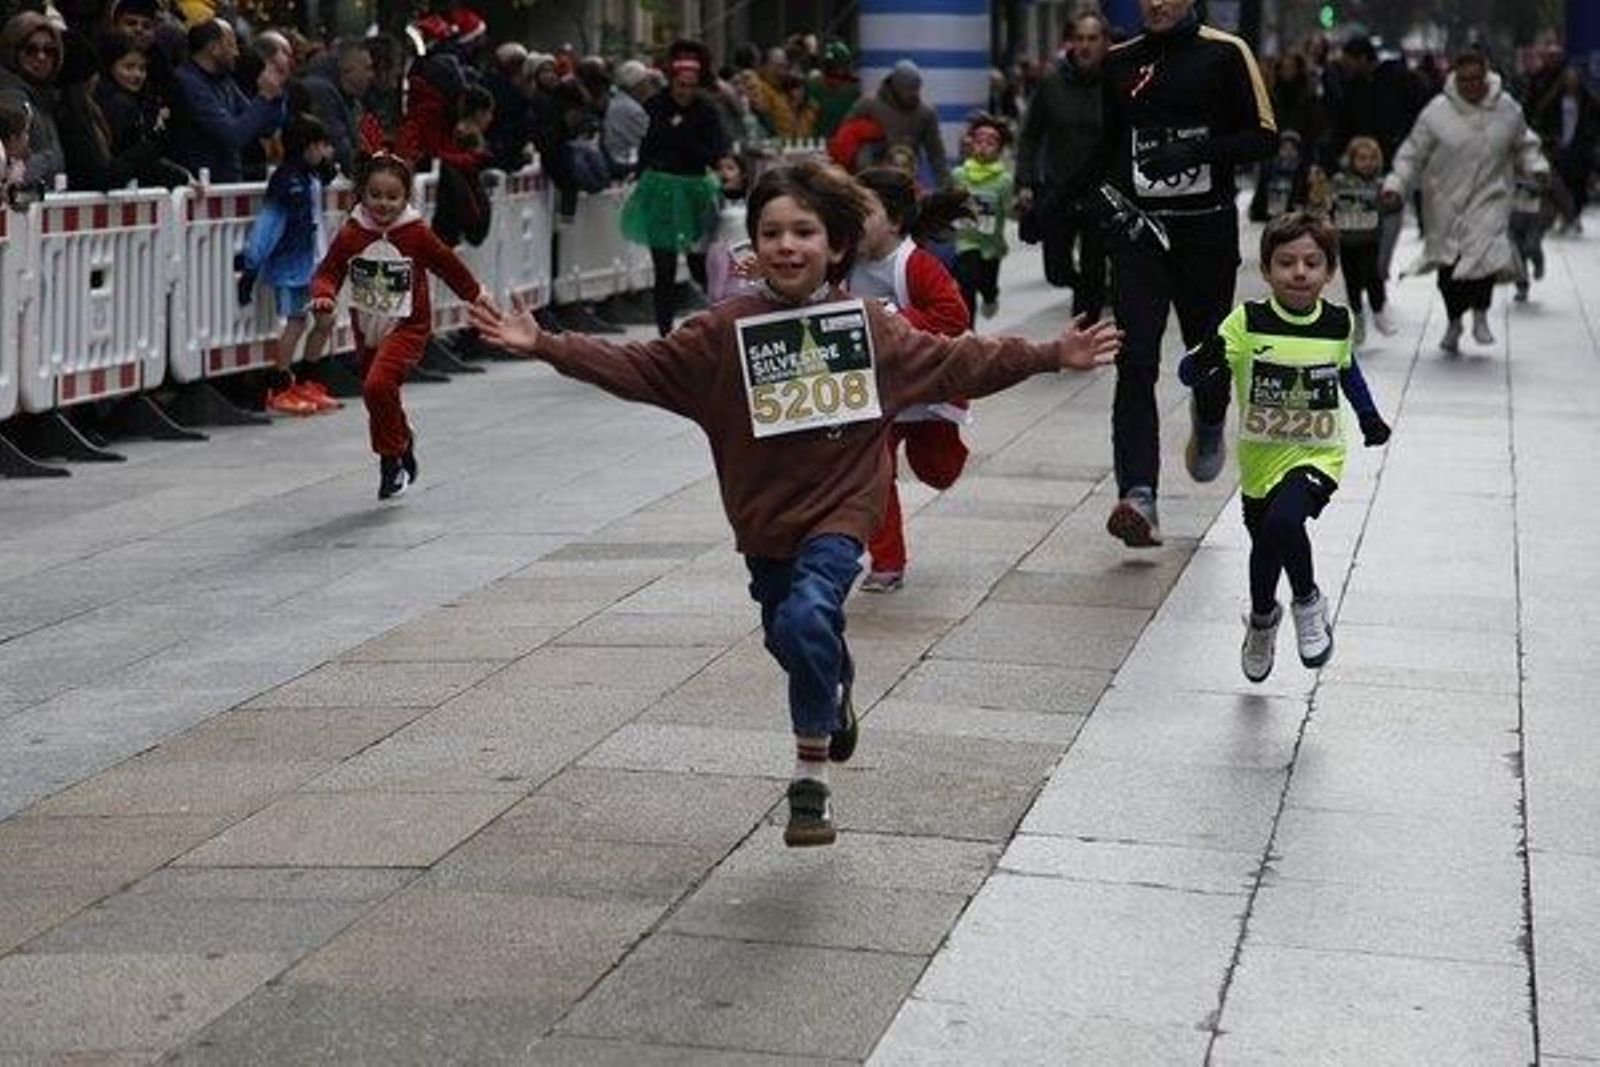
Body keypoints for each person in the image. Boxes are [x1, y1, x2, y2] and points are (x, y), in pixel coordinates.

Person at [468, 159, 1121, 847]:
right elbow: (641, 367)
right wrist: (546, 344)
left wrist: (1050, 353)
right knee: (792, 634)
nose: (787, 245)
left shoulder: (869, 325)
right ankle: (834, 681)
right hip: (764, 525)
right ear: (753, 244)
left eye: (804, 231)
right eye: (772, 232)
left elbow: (958, 360)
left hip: (842, 513)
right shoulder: (722, 331)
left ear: (835, 245)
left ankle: (811, 782)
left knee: (811, 614)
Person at [1178, 211, 1390, 681]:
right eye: (1286, 262)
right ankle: (1262, 620)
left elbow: (1348, 371)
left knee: (1284, 521)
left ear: (1329, 272)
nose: (1299, 272)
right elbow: (1189, 372)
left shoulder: (1337, 322)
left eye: (1312, 263)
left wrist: (1369, 417)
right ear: (1266, 270)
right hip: (1260, 460)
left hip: (1318, 455)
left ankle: (1308, 602)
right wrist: (1206, 356)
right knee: (1267, 543)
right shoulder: (1247, 321)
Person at [1100, 0, 1278, 547]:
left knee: (1207, 353)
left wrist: (1195, 149)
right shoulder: (1119, 60)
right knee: (1135, 359)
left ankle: (1209, 418)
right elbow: (1107, 146)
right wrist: (1057, 205)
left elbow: (1264, 138)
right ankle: (1138, 495)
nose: (1155, 3)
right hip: (1140, 235)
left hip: (1205, 233)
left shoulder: (1225, 53)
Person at [310, 152, 493, 500]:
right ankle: (402, 437)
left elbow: (446, 263)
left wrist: (474, 293)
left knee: (377, 386)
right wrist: (323, 296)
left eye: (392, 197)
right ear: (362, 194)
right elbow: (327, 272)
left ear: (406, 197)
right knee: (378, 396)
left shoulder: (416, 233)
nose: (383, 204)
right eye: (375, 195)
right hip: (368, 329)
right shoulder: (351, 233)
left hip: (408, 326)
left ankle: (391, 462)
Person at [849, 166, 973, 593]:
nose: (852, 220)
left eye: (863, 211)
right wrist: (766, 273)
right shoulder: (841, 262)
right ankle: (887, 562)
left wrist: (889, 317)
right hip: (875, 394)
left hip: (926, 392)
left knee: (938, 471)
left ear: (895, 221)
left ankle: (945, 455)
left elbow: (954, 317)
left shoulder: (916, 264)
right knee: (872, 475)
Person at [1381, 51, 1547, 355]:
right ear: (1455, 78)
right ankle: (1454, 320)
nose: (1471, 85)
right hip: (1444, 200)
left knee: (1484, 256)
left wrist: (1536, 167)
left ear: (1486, 77)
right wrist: (1396, 184)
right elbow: (1412, 153)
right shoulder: (1437, 112)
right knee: (1450, 264)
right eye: (1464, 79)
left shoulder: (1507, 108)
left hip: (1490, 196)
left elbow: (1525, 143)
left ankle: (1481, 314)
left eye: (1476, 79)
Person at [619, 38, 726, 337]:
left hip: (695, 191)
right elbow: (645, 144)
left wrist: (685, 135)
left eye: (691, 86)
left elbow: (714, 152)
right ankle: (664, 333)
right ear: (672, 81)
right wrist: (639, 172)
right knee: (663, 267)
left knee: (699, 265)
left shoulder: (706, 111)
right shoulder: (655, 106)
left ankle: (715, 326)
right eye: (680, 85)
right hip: (661, 190)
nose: (685, 92)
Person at [237, 113, 341, 416]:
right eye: (320, 144)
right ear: (306, 146)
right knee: (296, 322)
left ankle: (307, 380)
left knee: (325, 320)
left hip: (315, 262)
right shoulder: (286, 180)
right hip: (293, 264)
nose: (324, 150)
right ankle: (279, 387)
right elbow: (269, 224)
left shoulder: (311, 176)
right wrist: (252, 263)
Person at [1014, 12, 1110, 319]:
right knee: (1056, 270)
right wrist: (1024, 181)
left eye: (1092, 39)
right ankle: (1086, 289)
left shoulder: (1116, 82)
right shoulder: (1051, 83)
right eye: (1079, 38)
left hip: (1100, 192)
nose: (1085, 46)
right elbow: (1030, 136)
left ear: (1105, 43)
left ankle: (1087, 323)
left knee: (1094, 266)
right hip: (1058, 189)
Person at [168, 17, 286, 184]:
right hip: (201, 187)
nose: (236, 53)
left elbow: (265, 128)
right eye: (231, 45)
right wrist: (264, 97)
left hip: (227, 185)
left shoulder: (224, 82)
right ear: (214, 48)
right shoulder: (187, 83)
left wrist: (275, 96)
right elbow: (232, 137)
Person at [1329, 136, 1396, 339]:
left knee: (1374, 276)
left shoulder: (1381, 183)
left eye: (1372, 158)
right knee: (1352, 282)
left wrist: (1391, 200)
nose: (1367, 163)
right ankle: (1357, 320)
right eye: (1362, 158)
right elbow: (1329, 203)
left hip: (1371, 240)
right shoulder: (1340, 181)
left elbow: (1392, 206)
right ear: (1352, 160)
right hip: (1347, 241)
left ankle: (1379, 312)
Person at [950, 112, 1014, 325]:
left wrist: (1022, 209)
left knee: (987, 284)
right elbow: (950, 203)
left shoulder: (1004, 180)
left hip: (991, 245)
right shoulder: (959, 174)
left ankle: (990, 296)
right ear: (971, 144)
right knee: (965, 284)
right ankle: (968, 329)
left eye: (990, 143)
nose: (983, 146)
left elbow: (1010, 211)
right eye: (979, 141)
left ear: (1000, 149)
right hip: (965, 241)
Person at [843, 60, 949, 187]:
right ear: (896, 86)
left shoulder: (925, 113)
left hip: (906, 181)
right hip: (870, 180)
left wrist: (946, 186)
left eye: (917, 88)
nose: (914, 93)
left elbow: (936, 155)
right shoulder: (868, 105)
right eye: (909, 89)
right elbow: (844, 138)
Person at [0, 13, 64, 187]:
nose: (41, 57)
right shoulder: (11, 98)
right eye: (31, 50)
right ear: (13, 51)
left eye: (49, 50)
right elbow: (15, 166)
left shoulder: (43, 96)